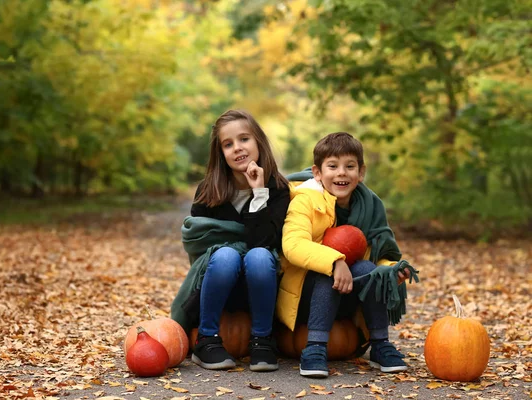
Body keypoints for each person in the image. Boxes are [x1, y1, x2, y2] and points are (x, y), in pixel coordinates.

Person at [276, 132, 417, 378]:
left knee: (368, 271)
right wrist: (335, 261)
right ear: (317, 172)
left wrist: (391, 270)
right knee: (325, 273)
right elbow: (293, 245)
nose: (341, 173)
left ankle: (380, 344)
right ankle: (315, 347)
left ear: (360, 173)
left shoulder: (372, 206)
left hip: (351, 293)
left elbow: (384, 253)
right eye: (333, 166)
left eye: (349, 166)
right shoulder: (304, 201)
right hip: (306, 296)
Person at [170, 109, 290, 372]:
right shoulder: (208, 190)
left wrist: (259, 193)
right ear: (220, 153)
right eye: (228, 144)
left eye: (244, 139)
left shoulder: (278, 189)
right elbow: (198, 240)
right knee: (225, 254)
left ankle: (262, 339)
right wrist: (233, 246)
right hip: (218, 284)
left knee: (259, 255)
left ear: (259, 141)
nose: (237, 148)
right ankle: (206, 338)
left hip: (261, 285)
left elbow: (266, 240)